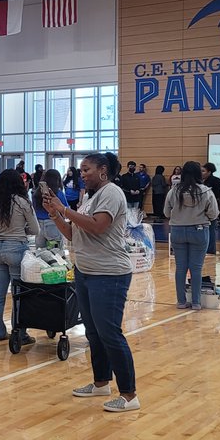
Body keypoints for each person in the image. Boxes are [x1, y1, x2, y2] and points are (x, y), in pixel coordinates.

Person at [42, 152, 139, 412]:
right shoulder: (91, 197)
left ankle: (129, 395)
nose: (82, 174)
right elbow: (73, 234)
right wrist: (55, 214)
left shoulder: (112, 193)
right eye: (81, 170)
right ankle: (101, 383)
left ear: (103, 170)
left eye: (86, 169)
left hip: (109, 274)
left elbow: (97, 226)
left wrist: (64, 209)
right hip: (85, 271)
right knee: (93, 332)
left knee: (110, 333)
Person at [0, 169, 41, 342]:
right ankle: (19, 334)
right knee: (18, 294)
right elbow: (35, 229)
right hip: (16, 249)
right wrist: (21, 230)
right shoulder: (23, 203)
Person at [165, 161, 219, 310]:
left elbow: (166, 212)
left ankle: (181, 302)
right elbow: (214, 214)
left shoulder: (173, 191)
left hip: (177, 231)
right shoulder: (206, 191)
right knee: (196, 268)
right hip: (199, 231)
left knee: (180, 268)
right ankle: (196, 302)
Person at [34, 169, 69, 249]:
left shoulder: (36, 194)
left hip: (39, 224)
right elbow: (64, 209)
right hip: (53, 223)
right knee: (56, 251)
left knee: (40, 251)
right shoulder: (58, 194)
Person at [202, 162, 220, 257]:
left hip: (212, 206)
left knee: (211, 227)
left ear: (209, 172)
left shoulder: (215, 180)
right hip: (203, 207)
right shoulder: (202, 181)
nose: (201, 173)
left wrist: (215, 195)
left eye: (203, 171)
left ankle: (210, 250)